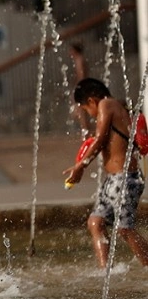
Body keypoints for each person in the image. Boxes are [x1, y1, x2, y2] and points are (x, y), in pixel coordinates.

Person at [63, 78, 148, 268]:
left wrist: (80, 167)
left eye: (86, 109)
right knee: (96, 222)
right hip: (114, 180)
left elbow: (100, 139)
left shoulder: (106, 104)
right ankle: (105, 272)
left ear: (92, 100)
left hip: (125, 179)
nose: (90, 115)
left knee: (124, 229)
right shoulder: (115, 106)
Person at [68, 42, 92, 139]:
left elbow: (81, 75)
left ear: (75, 50)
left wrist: (79, 87)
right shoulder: (80, 59)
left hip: (82, 87)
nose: (69, 52)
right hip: (83, 86)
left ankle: (86, 133)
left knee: (81, 111)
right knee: (81, 111)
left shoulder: (79, 60)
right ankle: (86, 132)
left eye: (71, 50)